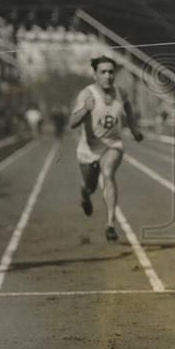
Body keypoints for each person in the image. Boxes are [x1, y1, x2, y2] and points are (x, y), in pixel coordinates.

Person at [69, 56, 144, 242]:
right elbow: (72, 122)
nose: (108, 76)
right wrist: (85, 110)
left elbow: (128, 108)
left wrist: (134, 129)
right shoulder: (87, 94)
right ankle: (85, 196)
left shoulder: (121, 92)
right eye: (103, 72)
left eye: (111, 72)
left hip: (112, 144)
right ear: (95, 75)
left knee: (108, 173)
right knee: (89, 186)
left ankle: (110, 224)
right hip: (89, 149)